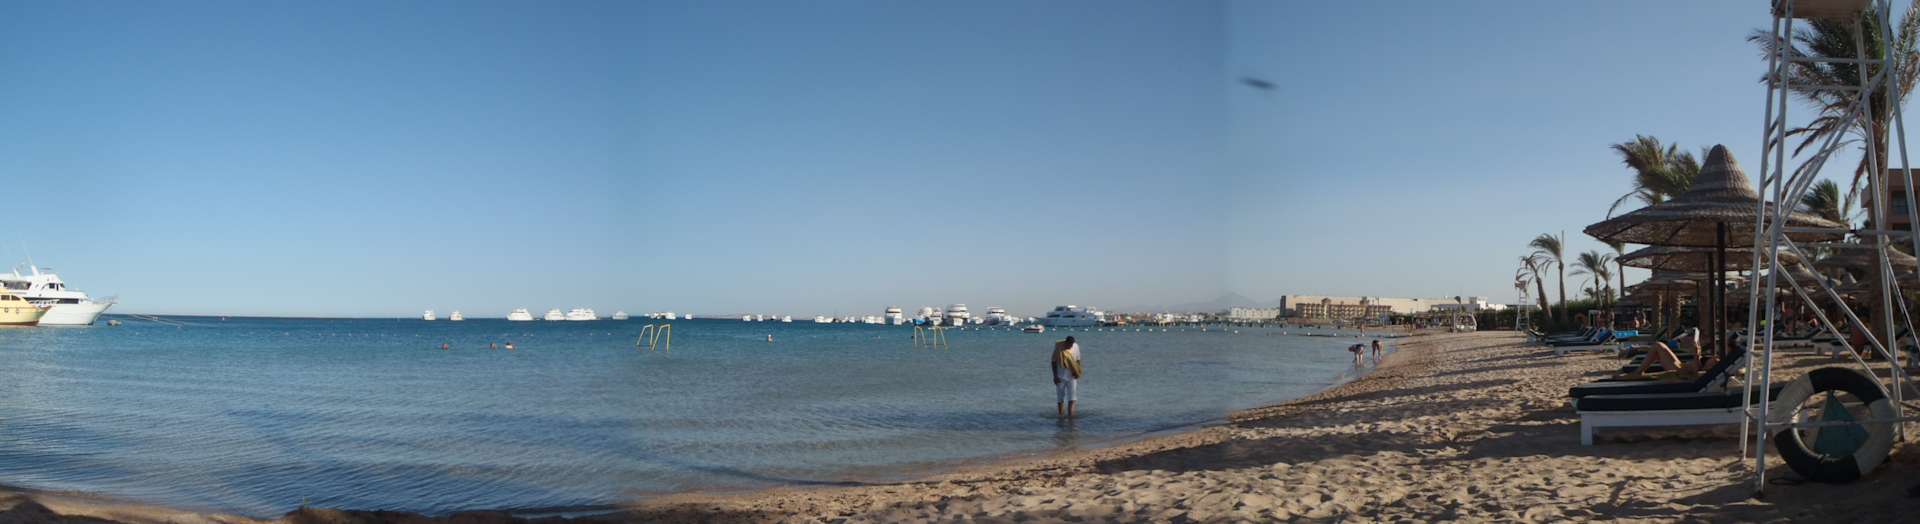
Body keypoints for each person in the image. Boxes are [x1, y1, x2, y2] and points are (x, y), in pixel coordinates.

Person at [1052, 336, 1083, 418]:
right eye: (1069, 345)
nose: (1070, 347)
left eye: (1071, 345)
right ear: (1065, 343)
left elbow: (1078, 360)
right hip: (1060, 376)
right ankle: (1061, 416)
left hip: (1072, 376)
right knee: (1060, 398)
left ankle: (1071, 417)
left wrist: (1078, 371)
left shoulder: (1076, 346)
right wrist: (1055, 376)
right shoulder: (1059, 347)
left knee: (1072, 397)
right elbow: (1053, 362)